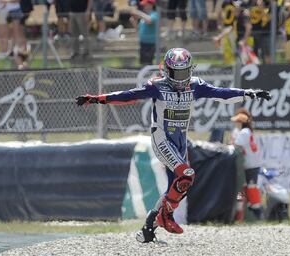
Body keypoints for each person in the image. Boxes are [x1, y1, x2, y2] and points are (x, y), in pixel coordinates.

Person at [76, 48, 271, 242]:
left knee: (176, 188)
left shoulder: (195, 86)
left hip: (180, 141)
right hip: (162, 138)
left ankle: (148, 228)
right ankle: (165, 217)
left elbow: (221, 93)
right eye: (177, 73)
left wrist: (249, 93)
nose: (181, 77)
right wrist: (98, 98)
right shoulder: (157, 86)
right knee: (187, 175)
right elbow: (130, 95)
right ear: (167, 71)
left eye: (185, 72)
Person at [230, 108, 263, 220]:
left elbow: (236, 146)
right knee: (242, 188)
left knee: (250, 186)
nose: (236, 124)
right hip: (250, 164)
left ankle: (257, 210)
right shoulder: (247, 131)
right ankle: (240, 211)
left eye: (238, 122)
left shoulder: (244, 132)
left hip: (250, 164)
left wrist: (231, 143)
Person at [129, 0, 158, 66]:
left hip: (150, 44)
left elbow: (149, 20)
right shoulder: (144, 16)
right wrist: (134, 23)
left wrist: (138, 13)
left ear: (151, 5)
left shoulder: (154, 14)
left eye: (146, 5)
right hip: (143, 43)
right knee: (143, 63)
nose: (144, 6)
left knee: (148, 63)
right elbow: (139, 29)